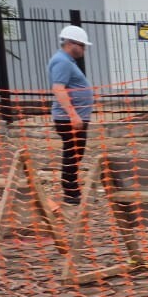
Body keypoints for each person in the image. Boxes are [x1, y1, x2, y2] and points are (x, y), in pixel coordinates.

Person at [49, 25, 94, 206]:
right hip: (69, 119)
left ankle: (72, 189)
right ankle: (70, 192)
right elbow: (58, 88)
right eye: (82, 45)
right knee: (73, 153)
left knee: (75, 153)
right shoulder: (62, 62)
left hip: (73, 117)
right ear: (70, 43)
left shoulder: (67, 61)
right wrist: (73, 115)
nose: (84, 49)